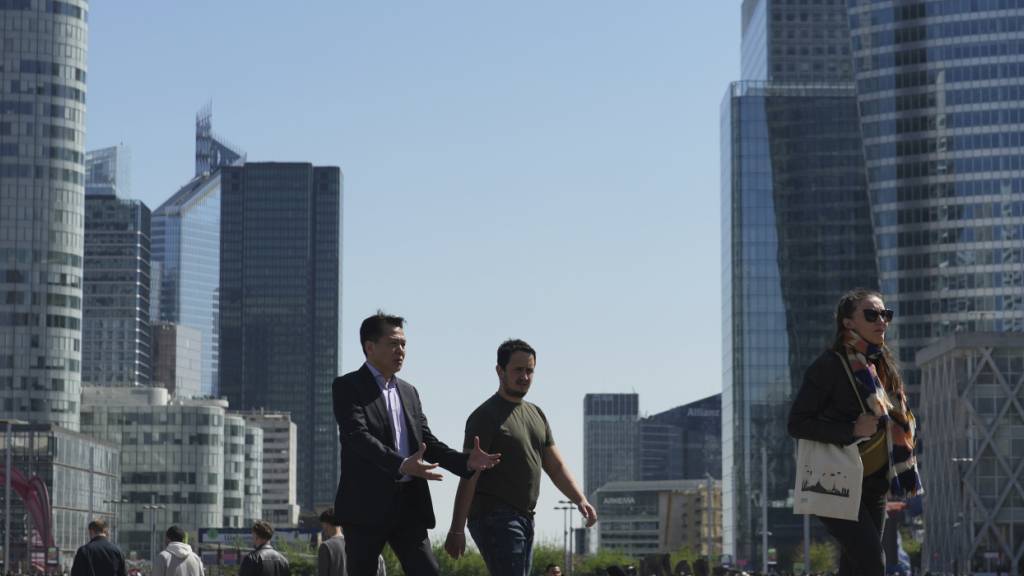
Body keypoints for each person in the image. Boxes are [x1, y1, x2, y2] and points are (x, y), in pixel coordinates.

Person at [332, 312, 501, 576]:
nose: (400, 350)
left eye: (403, 344)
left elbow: (427, 442)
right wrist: (401, 464)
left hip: (409, 505)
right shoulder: (347, 386)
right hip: (366, 506)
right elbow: (357, 437)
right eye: (393, 343)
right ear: (369, 347)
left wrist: (464, 461)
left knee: (428, 571)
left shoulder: (409, 392)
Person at [788, 289, 922, 576]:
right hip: (836, 479)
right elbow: (797, 423)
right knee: (873, 563)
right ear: (848, 323)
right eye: (872, 314)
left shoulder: (883, 366)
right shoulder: (829, 366)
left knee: (855, 567)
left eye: (886, 314)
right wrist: (851, 429)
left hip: (873, 484)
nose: (882, 321)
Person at [444, 339, 597, 576]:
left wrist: (580, 499)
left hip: (525, 517)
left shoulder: (536, 414)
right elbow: (469, 475)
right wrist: (457, 529)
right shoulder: (485, 416)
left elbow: (555, 466)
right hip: (495, 516)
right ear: (500, 370)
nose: (525, 376)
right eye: (518, 370)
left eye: (530, 370)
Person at [317, 509, 346, 576]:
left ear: (327, 524)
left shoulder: (325, 546)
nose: (323, 528)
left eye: (323, 524)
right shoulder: (351, 544)